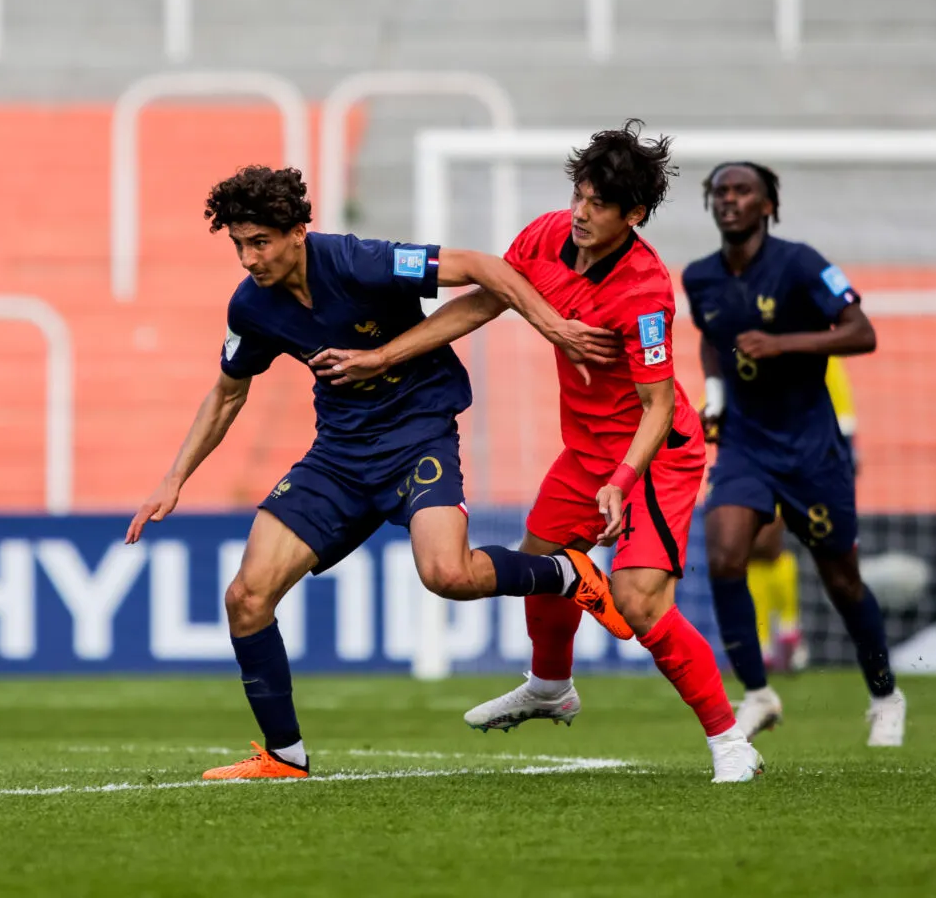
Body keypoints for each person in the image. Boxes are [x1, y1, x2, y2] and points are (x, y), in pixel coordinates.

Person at [126, 165, 633, 781]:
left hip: (417, 432)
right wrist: (173, 479)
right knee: (246, 598)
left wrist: (553, 326)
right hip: (338, 455)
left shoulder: (359, 262)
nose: (247, 258)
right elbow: (227, 394)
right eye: (237, 243)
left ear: (296, 232)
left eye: (259, 242)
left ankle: (563, 571)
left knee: (447, 573)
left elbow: (479, 266)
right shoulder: (252, 306)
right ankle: (284, 756)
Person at [314, 121, 763, 783]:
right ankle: (550, 685)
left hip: (652, 456)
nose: (581, 212)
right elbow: (481, 303)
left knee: (638, 603)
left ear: (633, 214)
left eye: (599, 204)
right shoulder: (546, 235)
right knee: (538, 562)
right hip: (585, 453)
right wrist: (382, 355)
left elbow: (659, 405)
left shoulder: (643, 290)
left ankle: (730, 740)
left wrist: (620, 478)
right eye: (579, 194)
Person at [687, 161, 905, 746]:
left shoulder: (802, 263)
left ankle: (885, 695)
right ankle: (758, 695)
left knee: (843, 582)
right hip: (744, 444)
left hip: (811, 450)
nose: (729, 200)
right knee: (726, 553)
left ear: (767, 206)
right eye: (720, 192)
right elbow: (712, 341)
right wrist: (714, 397)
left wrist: (783, 344)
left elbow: (863, 332)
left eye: (743, 191)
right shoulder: (700, 278)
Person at [745, 358, 857, 674]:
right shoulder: (742, 340)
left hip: (800, 458)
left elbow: (841, 403)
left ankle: (785, 630)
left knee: (766, 542)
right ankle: (771, 640)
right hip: (751, 458)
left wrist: (846, 451)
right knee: (755, 552)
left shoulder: (815, 346)